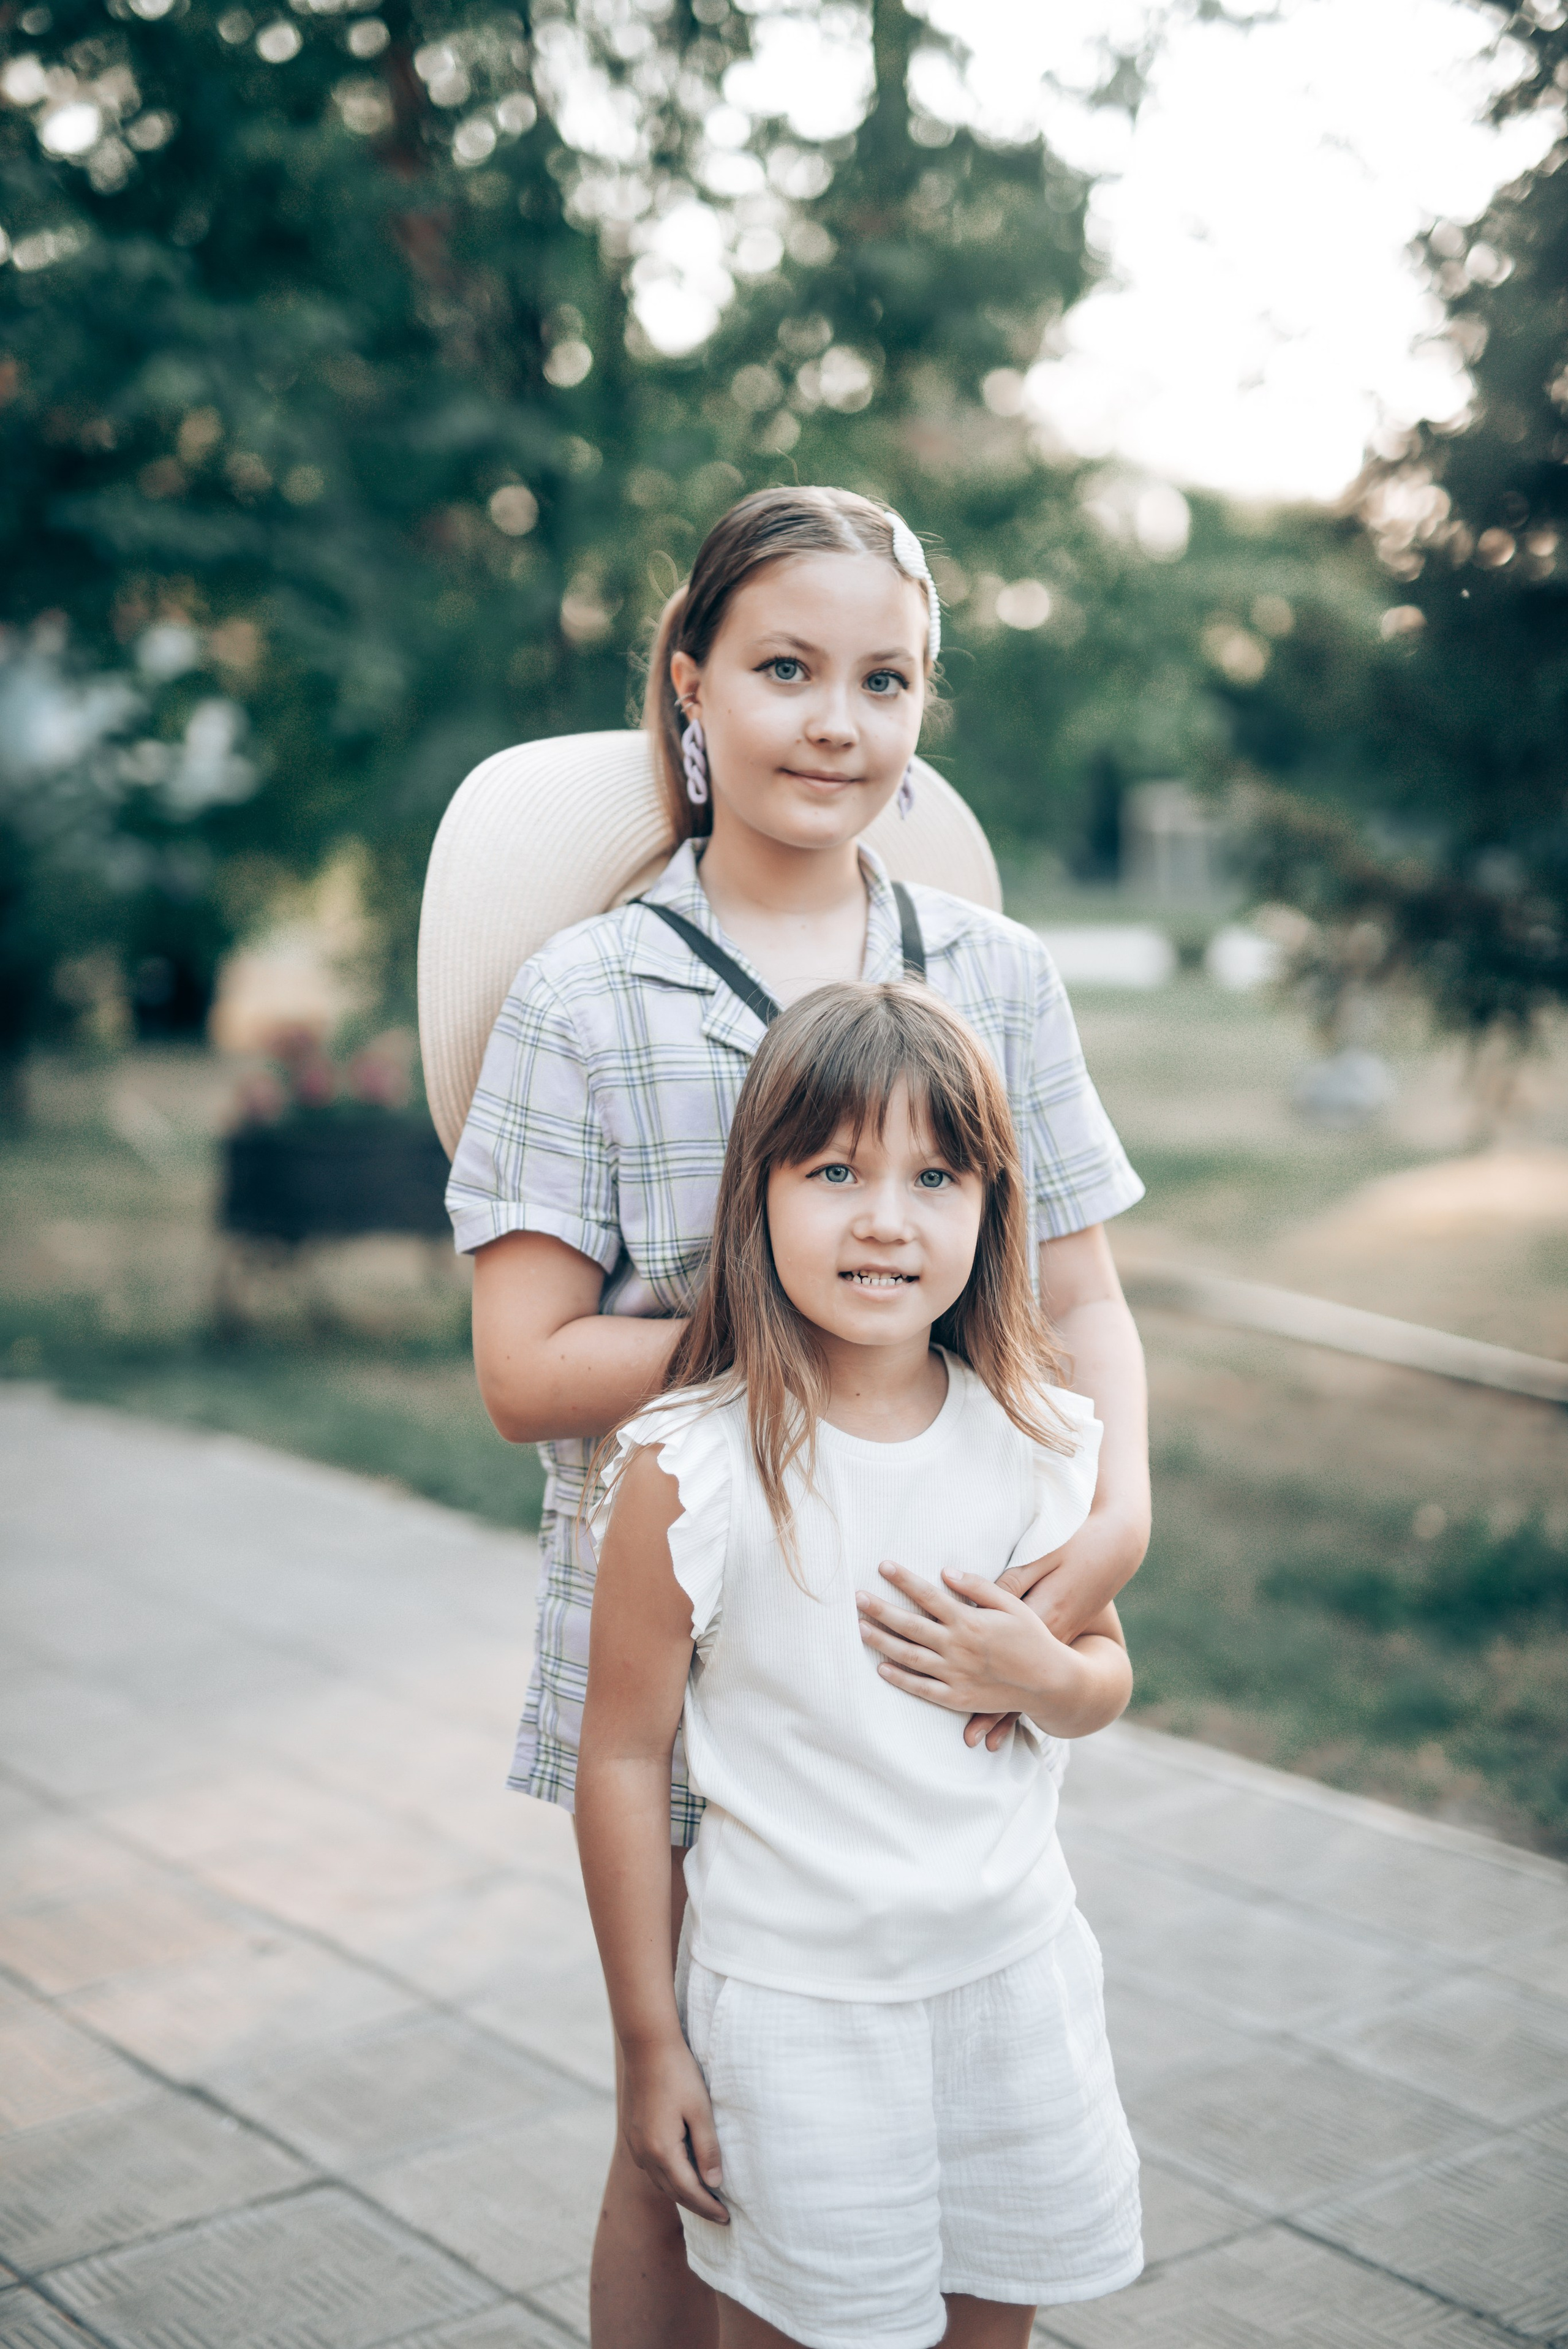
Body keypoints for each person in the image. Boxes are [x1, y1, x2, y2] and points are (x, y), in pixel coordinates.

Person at [445, 485, 1150, 2345]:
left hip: (929, 1599)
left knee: (952, 2077)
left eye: (884, 680)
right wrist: (773, 1320)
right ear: (689, 683)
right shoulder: (587, 990)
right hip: (685, 1609)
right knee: (690, 2122)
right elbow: (525, 1369)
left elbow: (1079, 1297)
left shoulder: (995, 974)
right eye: (784, 669)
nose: (836, 721)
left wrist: (1117, 1522)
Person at [576, 979, 1143, 2349]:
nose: (886, 1218)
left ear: (991, 1207)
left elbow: (1103, 1677)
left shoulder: (1036, 1435)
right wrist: (650, 2044)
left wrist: (1038, 1675)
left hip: (1011, 1981)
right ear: (756, 1194)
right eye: (834, 1171)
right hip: (796, 2013)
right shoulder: (691, 1467)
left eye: (934, 1176)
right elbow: (622, 1756)